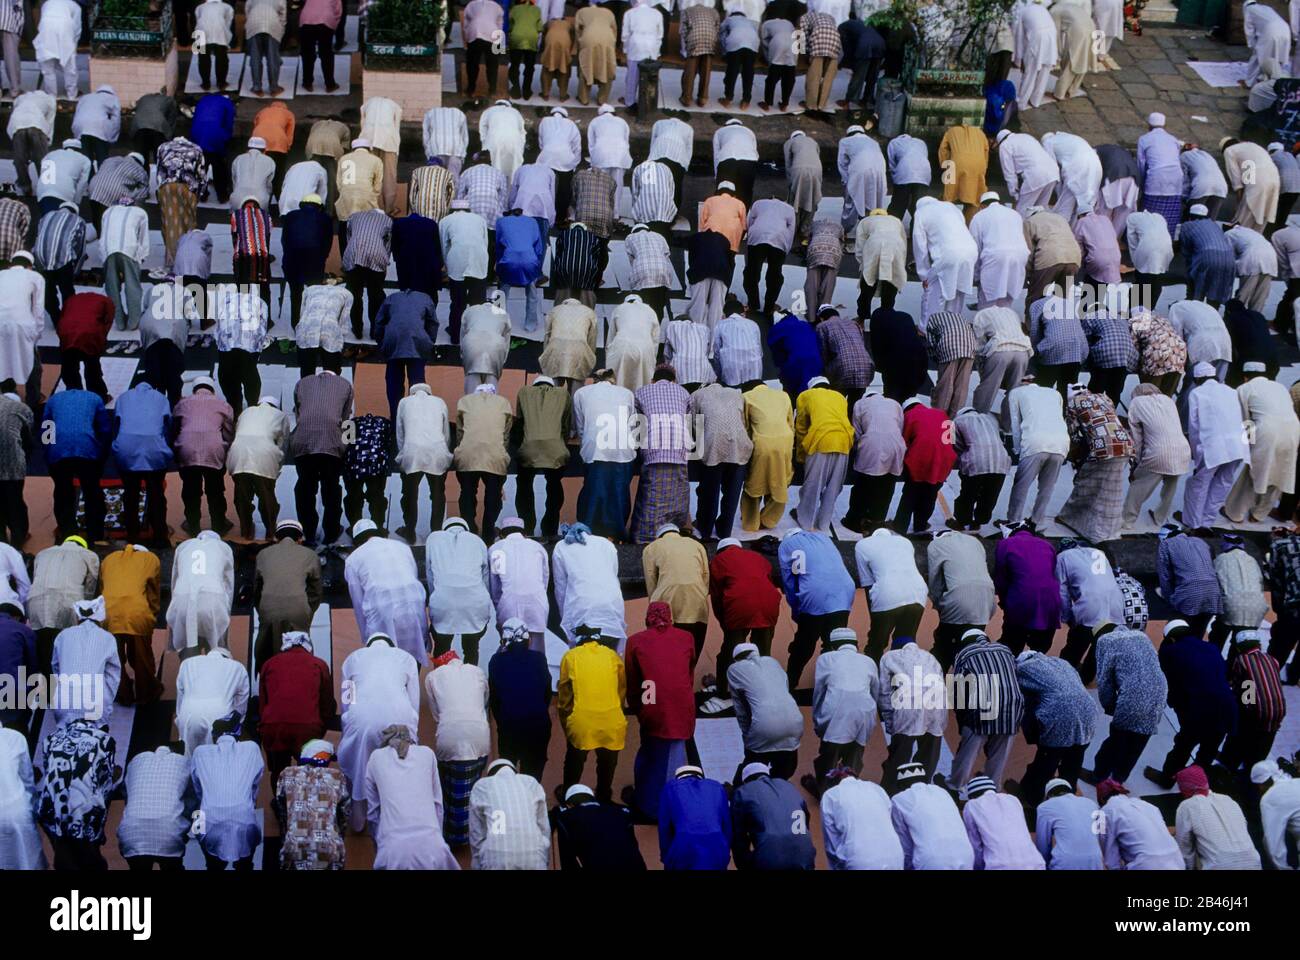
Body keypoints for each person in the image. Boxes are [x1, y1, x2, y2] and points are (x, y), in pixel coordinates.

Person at [337, 635, 420, 825]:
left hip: (363, 717)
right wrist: (412, 728)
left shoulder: (352, 658)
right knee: (397, 766)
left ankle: (359, 820)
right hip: (400, 716)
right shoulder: (405, 657)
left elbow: (347, 700)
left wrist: (349, 724)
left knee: (360, 768)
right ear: (392, 644)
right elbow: (413, 702)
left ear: (368, 645)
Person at [1145, 620, 1238, 788]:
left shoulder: (1171, 651)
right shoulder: (1211, 647)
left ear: (1171, 638)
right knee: (1208, 750)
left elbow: (1167, 682)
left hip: (1199, 711)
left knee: (1183, 746)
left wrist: (1175, 704)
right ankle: (1197, 783)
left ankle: (1167, 779)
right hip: (1226, 708)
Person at [361, 726, 460, 871]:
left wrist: (380, 846)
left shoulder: (376, 758)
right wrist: (436, 837)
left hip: (392, 848)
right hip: (432, 845)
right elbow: (438, 805)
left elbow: (373, 813)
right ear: (412, 740)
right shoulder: (427, 754)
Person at [1087, 621, 1168, 784]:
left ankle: (1099, 777)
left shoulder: (1105, 641)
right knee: (1138, 742)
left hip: (1133, 697)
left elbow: (1105, 681)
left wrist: (1110, 706)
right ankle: (1119, 779)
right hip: (1160, 694)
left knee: (1116, 741)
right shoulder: (1140, 636)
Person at [1016, 646, 1097, 803]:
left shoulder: (1023, 668)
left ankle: (1031, 797)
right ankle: (1068, 797)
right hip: (1088, 713)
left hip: (1060, 715)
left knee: (1047, 760)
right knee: (1074, 760)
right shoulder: (1062, 663)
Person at [35, 717, 117, 869]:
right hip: (84, 807)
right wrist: (100, 828)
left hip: (53, 808)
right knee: (89, 856)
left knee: (64, 853)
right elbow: (106, 786)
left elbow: (49, 773)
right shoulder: (105, 740)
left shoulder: (49, 739)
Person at [804, 627, 877, 797]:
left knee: (829, 755)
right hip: (864, 712)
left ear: (833, 646)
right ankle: (850, 788)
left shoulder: (826, 659)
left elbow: (819, 693)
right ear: (855, 645)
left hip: (836, 712)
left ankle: (824, 790)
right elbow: (875, 692)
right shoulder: (868, 661)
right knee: (855, 754)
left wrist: (817, 720)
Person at [345, 520, 430, 665]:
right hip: (413, 601)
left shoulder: (353, 559)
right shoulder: (402, 547)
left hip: (380, 607)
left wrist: (366, 636)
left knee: (384, 655)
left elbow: (358, 601)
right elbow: (412, 574)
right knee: (415, 648)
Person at [558, 623, 626, 801]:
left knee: (574, 759)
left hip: (583, 722)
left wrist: (567, 727)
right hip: (612, 721)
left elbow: (564, 700)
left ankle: (569, 794)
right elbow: (621, 691)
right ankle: (603, 796)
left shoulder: (570, 657)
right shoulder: (612, 656)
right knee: (607, 763)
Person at [948, 630, 1022, 791]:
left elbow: (958, 692)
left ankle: (956, 786)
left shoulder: (964, 653)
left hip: (983, 708)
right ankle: (992, 787)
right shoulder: (1004, 649)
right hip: (1012, 707)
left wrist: (964, 723)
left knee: (968, 752)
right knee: (999, 755)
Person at [1225, 363, 1300, 522]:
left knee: (1254, 472)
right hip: (1293, 430)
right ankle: (1259, 515)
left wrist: (1248, 446)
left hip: (1267, 431)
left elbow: (1246, 420)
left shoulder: (1244, 389)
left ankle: (1235, 513)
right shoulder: (1278, 386)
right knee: (1282, 471)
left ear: (1245, 377)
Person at [290, 367, 352, 546]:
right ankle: (331, 531)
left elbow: (299, 413)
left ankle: (308, 532)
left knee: (305, 487)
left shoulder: (302, 383)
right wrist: (348, 446)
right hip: (331, 444)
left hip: (303, 443)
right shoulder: (346, 385)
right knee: (331, 488)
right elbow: (346, 418)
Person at [191, 714, 263, 870]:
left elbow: (197, 791)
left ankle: (211, 862)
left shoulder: (199, 752)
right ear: (238, 733)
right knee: (245, 862)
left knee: (197, 817)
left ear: (214, 735)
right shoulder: (252, 748)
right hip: (245, 819)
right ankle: (244, 864)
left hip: (208, 820)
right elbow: (254, 787)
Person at [878, 637, 947, 792]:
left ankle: (890, 791)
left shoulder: (889, 657)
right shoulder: (930, 657)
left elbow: (884, 692)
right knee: (929, 755)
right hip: (936, 707)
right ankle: (922, 788)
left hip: (908, 707)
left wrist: (890, 724)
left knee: (899, 755)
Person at [252, 520, 322, 669]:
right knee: (300, 652)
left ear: (276, 539)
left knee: (266, 650)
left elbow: (257, 589)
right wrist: (307, 611)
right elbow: (316, 591)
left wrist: (264, 611)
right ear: (300, 539)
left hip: (268, 609)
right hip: (298, 611)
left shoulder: (263, 554)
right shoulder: (310, 554)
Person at [111, 376, 173, 544]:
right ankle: (160, 535)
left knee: (130, 494)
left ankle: (132, 535)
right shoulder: (161, 398)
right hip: (155, 451)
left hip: (126, 450)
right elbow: (168, 426)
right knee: (156, 494)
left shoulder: (123, 398)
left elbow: (116, 424)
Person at [99, 543, 162, 707]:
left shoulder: (109, 559)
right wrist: (152, 615)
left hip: (108, 614)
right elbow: (153, 592)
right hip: (137, 613)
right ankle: (146, 694)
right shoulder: (150, 560)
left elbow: (103, 588)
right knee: (142, 657)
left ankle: (122, 694)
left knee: (115, 659)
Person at [424, 515, 493, 664]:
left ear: (445, 528)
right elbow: (485, 576)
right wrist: (485, 599)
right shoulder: (477, 541)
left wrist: (434, 597)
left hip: (443, 602)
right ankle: (471, 681)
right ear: (466, 529)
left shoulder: (433, 539)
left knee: (442, 647)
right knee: (471, 648)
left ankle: (441, 682)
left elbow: (430, 574)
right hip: (475, 603)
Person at [27, 536, 99, 676]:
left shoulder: (42, 553)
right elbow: (91, 587)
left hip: (36, 601)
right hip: (68, 601)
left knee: (43, 645)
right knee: (66, 646)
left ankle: (46, 689)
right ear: (83, 546)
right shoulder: (89, 555)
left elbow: (37, 578)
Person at [1122, 383, 1190, 528]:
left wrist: (1137, 464)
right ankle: (1160, 518)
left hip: (1158, 453)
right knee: (1170, 488)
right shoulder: (1168, 400)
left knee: (1138, 487)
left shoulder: (1136, 403)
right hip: (1183, 450)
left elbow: (1137, 439)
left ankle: (1127, 521)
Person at [172, 378, 235, 536]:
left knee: (190, 491)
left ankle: (193, 526)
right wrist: (224, 448)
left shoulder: (183, 403)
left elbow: (176, 425)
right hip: (213, 450)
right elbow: (228, 433)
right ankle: (219, 525)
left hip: (187, 449)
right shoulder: (223, 405)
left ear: (194, 390)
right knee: (216, 491)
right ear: (212, 390)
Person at [117, 744, 193, 871]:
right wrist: (185, 830)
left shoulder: (136, 760)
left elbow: (126, 795)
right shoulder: (184, 762)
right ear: (176, 753)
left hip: (131, 834)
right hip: (169, 834)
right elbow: (191, 802)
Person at [1170, 765, 1261, 870]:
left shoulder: (1187, 806)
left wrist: (1189, 867)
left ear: (1184, 789)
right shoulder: (1228, 800)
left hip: (1220, 866)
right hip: (1255, 862)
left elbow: (1184, 848)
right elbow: (1243, 826)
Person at [1221, 630, 1286, 774]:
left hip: (1259, 712)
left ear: (1239, 648)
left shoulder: (1242, 661)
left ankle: (1229, 763)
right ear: (1259, 645)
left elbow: (1246, 693)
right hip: (1279, 710)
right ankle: (1254, 765)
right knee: (1264, 741)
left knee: (1241, 731)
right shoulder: (1272, 659)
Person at [729, 761, 815, 870]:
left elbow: (738, 839)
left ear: (746, 781)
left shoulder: (743, 792)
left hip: (770, 861)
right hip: (806, 857)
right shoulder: (789, 786)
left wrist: (744, 866)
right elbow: (805, 820)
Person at [889, 762, 976, 869]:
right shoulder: (943, 792)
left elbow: (904, 842)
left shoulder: (899, 799)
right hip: (967, 856)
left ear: (900, 785)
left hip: (932, 861)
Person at [468, 758, 551, 870]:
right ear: (515, 771)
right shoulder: (531, 783)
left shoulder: (482, 786)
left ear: (490, 775)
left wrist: (478, 863)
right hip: (535, 857)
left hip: (495, 859)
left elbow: (476, 833)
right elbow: (544, 827)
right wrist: (544, 858)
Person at [49, 596, 120, 727]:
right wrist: (106, 702)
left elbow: (55, 668)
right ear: (101, 618)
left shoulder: (63, 635)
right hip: (95, 703)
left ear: (77, 618)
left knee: (64, 741)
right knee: (97, 741)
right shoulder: (108, 638)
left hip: (64, 701)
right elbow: (113, 676)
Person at [793, 377, 852, 532]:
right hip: (844, 441)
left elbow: (800, 428)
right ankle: (824, 523)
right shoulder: (839, 397)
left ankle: (806, 520)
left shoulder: (805, 396)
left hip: (821, 439)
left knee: (813, 483)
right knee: (834, 486)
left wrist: (800, 455)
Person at [226, 397, 289, 540]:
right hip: (265, 457)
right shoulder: (280, 416)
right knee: (267, 497)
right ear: (276, 407)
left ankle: (246, 531)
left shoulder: (246, 412)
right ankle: (271, 531)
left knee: (242, 497)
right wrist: (277, 468)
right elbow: (283, 444)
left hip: (238, 456)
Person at [167, 532, 235, 653]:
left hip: (182, 599)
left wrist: (175, 604)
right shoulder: (224, 548)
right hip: (212, 600)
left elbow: (174, 580)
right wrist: (226, 610)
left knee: (187, 650)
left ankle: (188, 666)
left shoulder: (183, 547)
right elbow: (229, 585)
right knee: (215, 649)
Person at [1095, 779, 1185, 870]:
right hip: (1178, 861)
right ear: (1123, 793)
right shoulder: (1149, 805)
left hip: (1146, 865)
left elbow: (1109, 855)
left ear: (1102, 799)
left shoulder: (1106, 811)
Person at [175, 643, 248, 755]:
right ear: (228, 658)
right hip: (220, 715)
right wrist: (236, 724)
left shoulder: (187, 663)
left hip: (189, 713)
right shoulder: (237, 667)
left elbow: (181, 695)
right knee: (215, 759)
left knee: (189, 758)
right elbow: (241, 704)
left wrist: (180, 718)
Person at [214, 270, 270, 416]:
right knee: (250, 376)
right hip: (248, 348)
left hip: (227, 348)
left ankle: (235, 409)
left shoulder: (225, 301)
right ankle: (251, 410)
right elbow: (263, 327)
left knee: (229, 380)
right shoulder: (260, 303)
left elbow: (219, 325)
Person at [912, 198, 977, 322]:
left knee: (933, 292)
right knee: (958, 290)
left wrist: (924, 274)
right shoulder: (951, 207)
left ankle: (926, 329)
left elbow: (919, 245)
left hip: (948, 254)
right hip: (970, 251)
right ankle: (952, 325)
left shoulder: (921, 212)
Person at [962, 777, 1046, 869]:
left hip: (1000, 865)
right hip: (1036, 863)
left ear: (972, 796)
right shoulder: (1013, 800)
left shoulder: (971, 805)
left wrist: (978, 867)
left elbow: (975, 844)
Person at [1035, 779, 1103, 869]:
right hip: (1095, 862)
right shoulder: (1092, 803)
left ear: (1049, 796)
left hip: (1064, 863)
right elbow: (1102, 834)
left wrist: (1045, 864)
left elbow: (1042, 842)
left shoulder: (1045, 807)